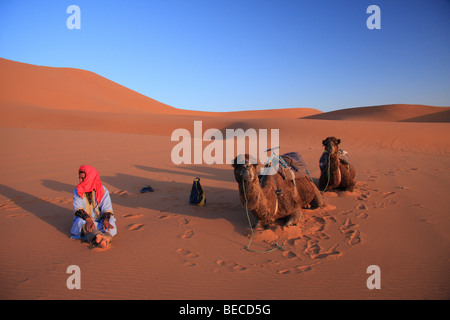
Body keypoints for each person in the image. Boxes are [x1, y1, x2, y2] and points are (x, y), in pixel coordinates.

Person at [71, 165, 117, 249]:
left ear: (90, 177)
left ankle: (105, 238)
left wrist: (105, 220)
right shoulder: (78, 190)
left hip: (100, 220)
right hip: (85, 219)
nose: (80, 180)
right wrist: (88, 219)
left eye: (82, 178)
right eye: (79, 178)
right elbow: (78, 209)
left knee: (111, 222)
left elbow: (107, 208)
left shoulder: (102, 190)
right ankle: (97, 238)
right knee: (80, 222)